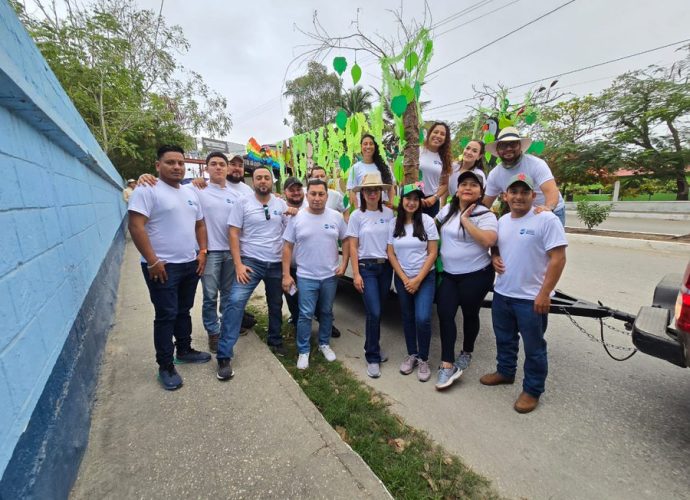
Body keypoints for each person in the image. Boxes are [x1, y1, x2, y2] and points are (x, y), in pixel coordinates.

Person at [137, 153, 256, 347]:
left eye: (222, 165)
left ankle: (226, 329)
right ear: (206, 168)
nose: (218, 168)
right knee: (210, 296)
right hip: (209, 252)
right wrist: (145, 176)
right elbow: (170, 187)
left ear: (226, 169)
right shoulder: (195, 189)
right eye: (214, 164)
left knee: (228, 294)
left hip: (232, 252)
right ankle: (213, 332)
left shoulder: (238, 194)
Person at [481, 173, 567, 413]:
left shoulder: (546, 220)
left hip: (531, 299)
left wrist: (545, 293)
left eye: (524, 192)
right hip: (503, 294)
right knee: (505, 339)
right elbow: (497, 246)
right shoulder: (502, 221)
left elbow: (558, 258)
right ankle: (505, 372)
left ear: (533, 195)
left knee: (534, 347)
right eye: (514, 192)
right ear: (505, 196)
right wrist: (495, 256)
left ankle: (532, 390)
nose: (518, 197)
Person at [128, 145, 211, 391]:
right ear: (157, 165)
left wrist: (203, 252)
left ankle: (184, 350)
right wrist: (152, 261)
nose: (176, 167)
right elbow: (136, 226)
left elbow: (200, 225)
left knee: (184, 309)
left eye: (180, 163)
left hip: (189, 262)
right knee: (166, 315)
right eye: (170, 162)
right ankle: (165, 365)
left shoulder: (189, 192)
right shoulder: (147, 189)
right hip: (161, 267)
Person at [216, 167, 290, 381]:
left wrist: (293, 211)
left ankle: (275, 341)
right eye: (259, 178)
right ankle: (224, 355)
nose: (263, 181)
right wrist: (238, 264)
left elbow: (289, 229)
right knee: (235, 302)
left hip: (276, 263)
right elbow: (233, 232)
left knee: (276, 304)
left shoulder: (280, 204)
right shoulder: (243, 203)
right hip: (250, 262)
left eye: (267, 177)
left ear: (272, 181)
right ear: (253, 181)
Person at [434, 171, 497, 390]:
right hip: (450, 275)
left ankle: (467, 351)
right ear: (457, 189)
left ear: (481, 191)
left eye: (473, 185)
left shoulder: (485, 214)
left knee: (470, 314)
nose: (468, 188)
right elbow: (432, 228)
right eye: (464, 184)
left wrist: (465, 220)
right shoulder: (447, 210)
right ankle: (446, 364)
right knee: (445, 314)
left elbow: (488, 240)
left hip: (477, 275)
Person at [282, 179, 350, 370]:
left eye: (321, 194)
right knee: (305, 314)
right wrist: (286, 274)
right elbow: (287, 247)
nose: (317, 198)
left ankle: (323, 344)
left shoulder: (336, 217)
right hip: (306, 276)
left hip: (330, 276)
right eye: (313, 194)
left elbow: (346, 240)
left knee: (327, 312)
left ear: (327, 197)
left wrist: (344, 264)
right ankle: (303, 350)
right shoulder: (297, 218)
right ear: (307, 195)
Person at [387, 182, 439, 382]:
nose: (411, 202)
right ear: (402, 200)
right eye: (408, 198)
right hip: (402, 278)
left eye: (416, 199)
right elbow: (391, 254)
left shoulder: (427, 221)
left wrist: (417, 279)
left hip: (424, 278)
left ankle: (424, 359)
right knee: (407, 317)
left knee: (423, 318)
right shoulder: (394, 223)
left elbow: (433, 252)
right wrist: (404, 278)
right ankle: (412, 354)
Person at [346, 173, 395, 378]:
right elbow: (353, 246)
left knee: (378, 311)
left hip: (385, 268)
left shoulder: (389, 214)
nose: (372, 193)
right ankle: (372, 357)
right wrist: (356, 273)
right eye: (368, 190)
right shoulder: (357, 215)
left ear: (381, 192)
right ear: (362, 193)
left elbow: (393, 243)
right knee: (373, 311)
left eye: (376, 189)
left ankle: (370, 345)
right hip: (366, 268)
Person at [483, 127, 565, 224]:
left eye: (513, 144)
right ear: (497, 150)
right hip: (523, 213)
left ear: (520, 147)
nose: (508, 148)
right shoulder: (495, 174)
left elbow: (551, 191)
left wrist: (548, 209)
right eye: (503, 146)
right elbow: (486, 203)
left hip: (551, 209)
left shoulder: (536, 164)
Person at [346, 134, 396, 208]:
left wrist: (391, 205)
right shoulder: (355, 168)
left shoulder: (385, 165)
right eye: (365, 144)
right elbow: (352, 191)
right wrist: (357, 210)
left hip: (383, 210)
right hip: (363, 210)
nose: (368, 146)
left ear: (375, 146)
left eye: (371, 144)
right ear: (361, 147)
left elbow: (391, 187)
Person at [419, 122, 453, 217]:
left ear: (445, 139)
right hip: (413, 198)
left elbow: (445, 184)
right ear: (430, 133)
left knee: (429, 231)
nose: (438, 136)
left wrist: (435, 197)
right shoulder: (418, 151)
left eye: (442, 134)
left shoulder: (444, 158)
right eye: (436, 132)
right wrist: (415, 195)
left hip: (431, 202)